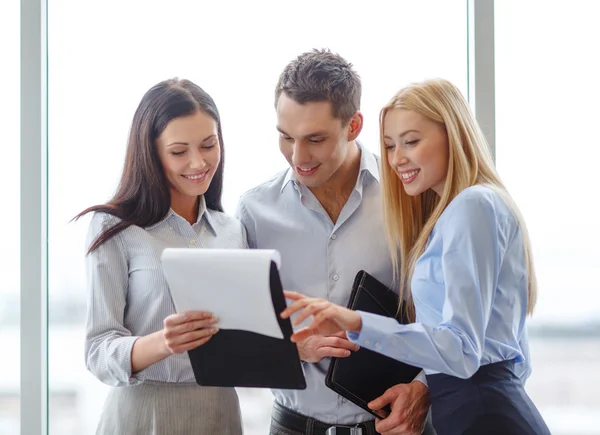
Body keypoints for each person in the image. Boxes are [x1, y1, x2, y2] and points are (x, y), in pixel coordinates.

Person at [281, 78, 551, 434]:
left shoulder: (472, 206)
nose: (397, 159)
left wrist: (356, 323)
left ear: (453, 134)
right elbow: (515, 357)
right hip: (475, 408)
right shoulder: (460, 209)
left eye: (411, 141)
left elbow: (461, 350)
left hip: (481, 411)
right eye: (391, 145)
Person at [236, 49, 435, 435]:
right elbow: (240, 333)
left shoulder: (410, 196)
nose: (298, 156)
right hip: (293, 426)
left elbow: (452, 317)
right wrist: (294, 349)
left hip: (398, 425)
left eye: (315, 139)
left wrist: (426, 386)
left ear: (355, 125)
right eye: (285, 137)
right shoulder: (254, 212)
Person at [74, 78, 246, 435]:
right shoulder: (115, 228)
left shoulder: (232, 231)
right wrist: (162, 343)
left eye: (208, 145)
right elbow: (98, 350)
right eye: (179, 151)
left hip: (220, 412)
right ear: (151, 153)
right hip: (142, 415)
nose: (198, 162)